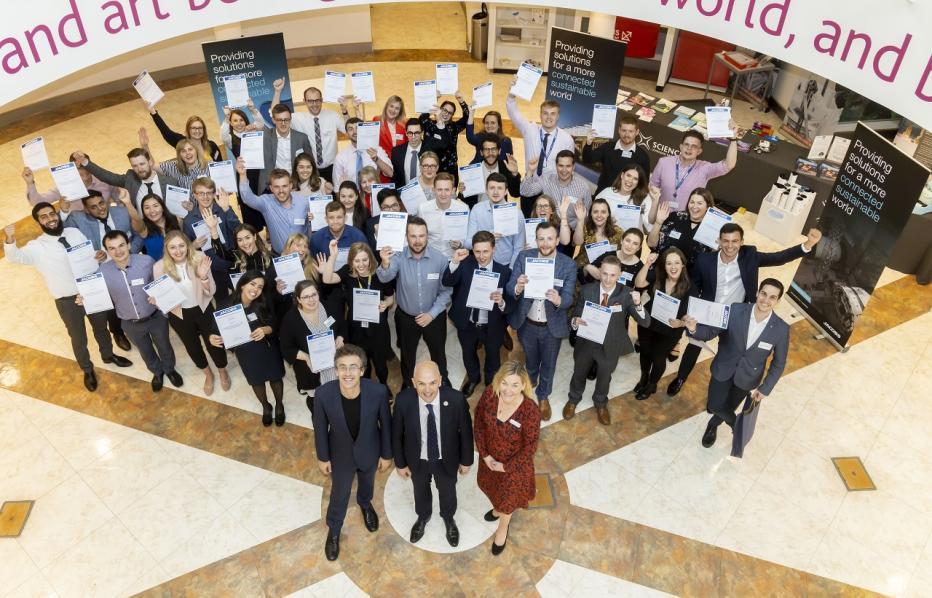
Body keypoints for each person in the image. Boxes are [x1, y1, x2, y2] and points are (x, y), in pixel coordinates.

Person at [666, 224, 821, 397]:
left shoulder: (750, 256)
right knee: (694, 344)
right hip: (711, 312)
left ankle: (720, 391)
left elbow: (779, 257)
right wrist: (690, 311)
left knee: (730, 351)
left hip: (738, 316)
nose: (730, 246)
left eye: (735, 241)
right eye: (725, 241)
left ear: (741, 242)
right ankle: (680, 378)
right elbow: (693, 287)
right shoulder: (705, 260)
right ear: (719, 240)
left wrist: (807, 245)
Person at [3, 205, 132, 392]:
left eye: (52, 214)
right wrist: (10, 238)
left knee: (101, 328)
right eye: (44, 217)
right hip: (67, 300)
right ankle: (87, 369)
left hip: (90, 289)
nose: (50, 219)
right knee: (78, 337)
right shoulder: (37, 247)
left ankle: (108, 354)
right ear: (39, 222)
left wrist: (100, 256)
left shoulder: (74, 232)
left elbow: (90, 256)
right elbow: (15, 257)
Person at [683, 279, 789, 448]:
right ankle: (736, 425)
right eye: (763, 294)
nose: (765, 300)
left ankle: (713, 425)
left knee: (729, 405)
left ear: (778, 301)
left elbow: (779, 362)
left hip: (748, 377)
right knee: (715, 404)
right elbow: (711, 331)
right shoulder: (735, 309)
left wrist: (765, 388)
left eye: (772, 297)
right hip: (723, 367)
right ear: (757, 292)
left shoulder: (782, 329)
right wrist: (694, 329)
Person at [313, 343, 393, 561]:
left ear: (362, 370)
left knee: (367, 483)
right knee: (339, 492)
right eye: (343, 367)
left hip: (370, 451)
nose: (348, 373)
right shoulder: (322, 395)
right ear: (336, 370)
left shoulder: (378, 391)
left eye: (353, 367)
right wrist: (323, 457)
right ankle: (335, 528)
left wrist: (386, 454)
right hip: (340, 455)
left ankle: (365, 504)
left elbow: (386, 425)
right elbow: (320, 429)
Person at [392, 360, 474, 546]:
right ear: (413, 382)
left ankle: (448, 518)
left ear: (440, 380)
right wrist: (400, 463)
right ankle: (423, 517)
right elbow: (396, 434)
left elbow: (466, 433)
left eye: (432, 382)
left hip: (446, 459)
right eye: (421, 383)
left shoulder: (456, 400)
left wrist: (466, 460)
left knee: (447, 490)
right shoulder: (404, 401)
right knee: (420, 490)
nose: (427, 390)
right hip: (417, 460)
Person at [93, 230, 182, 392]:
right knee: (145, 351)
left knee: (164, 346)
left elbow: (161, 283)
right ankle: (157, 371)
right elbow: (93, 294)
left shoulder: (146, 261)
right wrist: (84, 297)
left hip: (155, 317)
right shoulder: (102, 272)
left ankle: (169, 369)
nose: (118, 251)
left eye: (121, 245)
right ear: (107, 251)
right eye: (112, 248)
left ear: (128, 245)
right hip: (130, 323)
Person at [566, 256, 650, 424]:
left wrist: (639, 304)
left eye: (613, 275)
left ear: (619, 275)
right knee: (579, 372)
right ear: (600, 272)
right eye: (604, 274)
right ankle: (573, 399)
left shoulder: (626, 294)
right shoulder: (587, 290)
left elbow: (645, 322)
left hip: (610, 345)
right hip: (587, 342)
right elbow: (577, 312)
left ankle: (600, 403)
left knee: (605, 377)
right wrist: (575, 321)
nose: (608, 279)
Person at [506, 221, 575, 420]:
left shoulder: (567, 264)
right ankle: (532, 380)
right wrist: (518, 287)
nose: (545, 244)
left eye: (550, 239)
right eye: (541, 239)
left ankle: (543, 396)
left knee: (550, 363)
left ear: (557, 240)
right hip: (526, 323)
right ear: (535, 240)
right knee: (531, 359)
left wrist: (559, 299)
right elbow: (510, 288)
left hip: (551, 326)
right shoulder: (524, 257)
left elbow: (569, 297)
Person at [474, 360, 541, 555]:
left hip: (513, 468)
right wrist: (485, 455)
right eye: (504, 382)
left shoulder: (530, 411)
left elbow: (530, 447)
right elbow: (478, 422)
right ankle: (497, 509)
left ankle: (503, 526)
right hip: (489, 460)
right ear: (498, 380)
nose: (508, 390)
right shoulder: (490, 394)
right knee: (493, 490)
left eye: (514, 385)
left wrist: (505, 467)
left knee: (507, 500)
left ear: (523, 386)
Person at [377, 216, 452, 387]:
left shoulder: (440, 259)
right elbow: (384, 277)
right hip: (406, 317)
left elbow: (446, 292)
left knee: (438, 353)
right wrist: (385, 263)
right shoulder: (398, 257)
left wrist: (431, 315)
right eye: (413, 236)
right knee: (407, 355)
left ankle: (443, 380)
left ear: (427, 236)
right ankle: (408, 383)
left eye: (421, 236)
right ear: (406, 237)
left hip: (433, 317)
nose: (417, 241)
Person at [153, 231, 230, 395]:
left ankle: (222, 370)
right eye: (172, 247)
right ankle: (208, 374)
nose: (178, 251)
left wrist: (203, 278)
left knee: (215, 343)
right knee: (192, 347)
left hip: (203, 308)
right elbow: (162, 297)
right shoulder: (159, 267)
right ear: (167, 249)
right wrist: (157, 301)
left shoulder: (200, 258)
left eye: (181, 246)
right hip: (179, 315)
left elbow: (211, 291)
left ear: (188, 246)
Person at [209, 271, 287, 426]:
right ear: (242, 284)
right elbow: (215, 329)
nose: (256, 289)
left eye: (260, 286)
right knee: (256, 381)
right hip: (246, 352)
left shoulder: (264, 300)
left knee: (275, 377)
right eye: (252, 284)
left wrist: (266, 330)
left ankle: (279, 405)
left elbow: (275, 324)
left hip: (269, 347)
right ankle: (266, 406)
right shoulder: (226, 304)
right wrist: (212, 337)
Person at [442, 232, 513, 397]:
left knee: (493, 357)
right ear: (472, 250)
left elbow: (511, 302)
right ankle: (473, 378)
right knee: (468, 353)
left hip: (492, 325)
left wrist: (501, 301)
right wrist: (454, 262)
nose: (481, 256)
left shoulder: (504, 272)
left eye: (486, 251)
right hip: (467, 323)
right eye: (477, 251)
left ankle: (490, 381)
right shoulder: (465, 264)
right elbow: (447, 281)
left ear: (493, 249)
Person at [320, 241, 395, 387]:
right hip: (356, 330)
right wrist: (333, 255)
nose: (361, 264)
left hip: (378, 328)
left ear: (371, 259)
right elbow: (326, 279)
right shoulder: (348, 273)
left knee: (381, 366)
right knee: (361, 364)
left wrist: (385, 304)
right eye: (357, 260)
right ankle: (366, 388)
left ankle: (384, 386)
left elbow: (390, 297)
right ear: (351, 261)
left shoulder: (380, 273)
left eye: (364, 260)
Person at [632, 247, 694, 401]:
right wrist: (647, 264)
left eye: (676, 263)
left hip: (670, 329)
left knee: (659, 358)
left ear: (683, 265)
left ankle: (652, 384)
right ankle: (644, 377)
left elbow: (690, 316)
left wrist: (680, 323)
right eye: (668, 263)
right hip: (649, 322)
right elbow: (639, 283)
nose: (673, 267)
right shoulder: (658, 276)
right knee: (645, 352)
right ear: (664, 266)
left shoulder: (690, 287)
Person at [279, 280, 344, 409]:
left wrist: (341, 338)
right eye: (305, 297)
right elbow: (286, 347)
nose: (311, 300)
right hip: (309, 369)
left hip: (334, 363)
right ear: (298, 299)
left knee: (336, 392)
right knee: (315, 399)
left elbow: (342, 325)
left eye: (314, 295)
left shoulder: (330, 306)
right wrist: (306, 357)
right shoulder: (290, 319)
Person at [506, 95, 575, 214]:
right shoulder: (530, 130)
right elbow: (514, 114)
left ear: (558, 116)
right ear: (540, 115)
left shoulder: (567, 139)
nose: (549, 117)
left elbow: (570, 169)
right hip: (530, 187)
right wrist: (511, 96)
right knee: (529, 224)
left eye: (553, 113)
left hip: (554, 191)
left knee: (551, 227)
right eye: (545, 113)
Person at [271, 79, 348, 182]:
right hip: (309, 172)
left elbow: (349, 130)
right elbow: (276, 114)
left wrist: (344, 111)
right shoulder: (297, 118)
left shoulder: (333, 115)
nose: (314, 104)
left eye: (317, 100)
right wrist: (277, 92)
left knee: (334, 196)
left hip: (332, 168)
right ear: (304, 101)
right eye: (310, 101)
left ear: (322, 100)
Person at [649, 129, 739, 211]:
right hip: (661, 214)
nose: (689, 148)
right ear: (681, 147)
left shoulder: (704, 168)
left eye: (694, 146)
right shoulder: (664, 162)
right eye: (686, 145)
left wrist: (733, 140)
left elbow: (728, 165)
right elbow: (653, 186)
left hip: (687, 219)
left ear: (699, 151)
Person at [236, 159, 312, 255]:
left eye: (284, 186)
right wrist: (242, 175)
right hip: (279, 257)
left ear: (291, 186)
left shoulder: (304, 202)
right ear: (271, 188)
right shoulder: (266, 203)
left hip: (303, 256)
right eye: (276, 187)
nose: (281, 191)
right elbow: (248, 198)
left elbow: (316, 223)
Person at [182, 177, 242, 293]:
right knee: (223, 303)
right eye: (201, 193)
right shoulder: (189, 221)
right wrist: (193, 245)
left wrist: (227, 209)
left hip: (234, 263)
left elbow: (239, 231)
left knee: (241, 297)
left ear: (214, 194)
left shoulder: (223, 209)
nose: (205, 197)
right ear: (194, 195)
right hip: (211, 270)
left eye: (209, 193)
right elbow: (186, 252)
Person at [74, 148, 180, 212]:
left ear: (149, 162)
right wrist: (85, 162)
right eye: (135, 166)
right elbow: (106, 176)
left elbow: (178, 210)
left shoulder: (170, 182)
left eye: (142, 164)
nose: (139, 169)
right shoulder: (130, 178)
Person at [219, 101, 268, 230]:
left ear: (245, 120)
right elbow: (223, 135)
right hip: (243, 175)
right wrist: (226, 117)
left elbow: (261, 124)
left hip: (260, 173)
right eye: (235, 120)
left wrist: (252, 109)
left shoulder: (253, 131)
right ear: (231, 123)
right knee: (248, 205)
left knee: (263, 198)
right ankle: (254, 232)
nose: (239, 123)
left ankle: (269, 229)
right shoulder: (230, 139)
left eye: (241, 120)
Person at [647, 188, 717, 271]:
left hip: (688, 279)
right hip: (660, 271)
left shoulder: (711, 229)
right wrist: (658, 222)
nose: (694, 206)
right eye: (692, 202)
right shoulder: (674, 217)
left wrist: (716, 249)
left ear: (707, 206)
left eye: (699, 203)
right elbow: (651, 244)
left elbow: (710, 262)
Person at [466, 173, 525, 268]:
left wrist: (510, 270)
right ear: (486, 190)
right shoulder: (477, 209)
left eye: (500, 188)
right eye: (492, 188)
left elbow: (519, 247)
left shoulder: (517, 213)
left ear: (506, 191)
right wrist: (487, 237)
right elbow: (468, 243)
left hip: (506, 265)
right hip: (480, 264)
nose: (496, 192)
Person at [582, 114, 651, 194]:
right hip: (604, 195)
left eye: (630, 131)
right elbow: (587, 159)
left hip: (627, 200)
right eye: (624, 130)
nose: (626, 135)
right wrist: (588, 143)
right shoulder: (608, 147)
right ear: (619, 130)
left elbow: (644, 183)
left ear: (637, 132)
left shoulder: (643, 156)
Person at [520, 150, 592, 226]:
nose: (564, 170)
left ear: (573, 167)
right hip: (549, 228)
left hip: (573, 230)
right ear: (556, 165)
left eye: (568, 166)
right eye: (561, 166)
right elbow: (524, 192)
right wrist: (530, 171)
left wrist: (570, 229)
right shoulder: (546, 179)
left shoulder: (583, 187)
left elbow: (587, 214)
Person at [254, 103, 314, 194]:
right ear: (273, 120)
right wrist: (253, 109)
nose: (283, 123)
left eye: (286, 119)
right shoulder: (266, 136)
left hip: (297, 185)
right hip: (273, 187)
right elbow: (259, 124)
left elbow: (311, 163)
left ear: (290, 119)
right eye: (279, 120)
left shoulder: (302, 138)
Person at [23, 157, 120, 213]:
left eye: (85, 167)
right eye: (79, 169)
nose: (84, 172)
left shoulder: (104, 180)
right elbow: (37, 202)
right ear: (72, 170)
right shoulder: (63, 187)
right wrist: (30, 183)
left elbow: (119, 199)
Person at [64, 190, 141, 254]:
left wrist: (130, 252)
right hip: (101, 265)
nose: (100, 208)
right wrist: (63, 211)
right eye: (94, 207)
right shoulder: (77, 218)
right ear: (86, 210)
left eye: (101, 203)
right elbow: (59, 229)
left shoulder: (123, 212)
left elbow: (139, 234)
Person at [460, 133, 521, 208]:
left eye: (493, 149)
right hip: (479, 214)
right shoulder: (473, 170)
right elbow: (467, 201)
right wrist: (462, 193)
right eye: (486, 150)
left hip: (500, 214)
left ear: (499, 151)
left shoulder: (505, 167)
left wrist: (514, 174)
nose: (490, 153)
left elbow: (515, 193)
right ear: (481, 152)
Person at [417, 172, 470, 259]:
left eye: (447, 190)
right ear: (433, 190)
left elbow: (468, 237)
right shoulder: (423, 209)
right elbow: (420, 235)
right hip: (430, 259)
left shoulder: (463, 208)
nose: (443, 194)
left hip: (455, 258)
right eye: (439, 189)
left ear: (453, 190)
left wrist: (460, 244)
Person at [143, 104, 222, 161]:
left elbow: (221, 166)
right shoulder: (181, 142)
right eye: (194, 128)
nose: (197, 131)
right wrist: (154, 113)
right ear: (188, 130)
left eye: (200, 128)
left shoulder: (211, 145)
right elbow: (166, 131)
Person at [573, 198, 624, 284]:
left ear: (608, 214)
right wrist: (580, 221)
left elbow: (622, 255)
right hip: (583, 272)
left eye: (603, 212)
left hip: (609, 276)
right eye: (595, 212)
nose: (599, 215)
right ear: (591, 214)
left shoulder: (618, 232)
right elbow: (577, 242)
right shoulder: (584, 228)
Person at [331, 117, 393, 188]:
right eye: (351, 129)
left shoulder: (377, 150)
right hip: (352, 198)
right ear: (347, 134)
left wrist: (376, 159)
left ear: (364, 130)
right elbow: (337, 187)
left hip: (374, 195)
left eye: (358, 128)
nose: (355, 132)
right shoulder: (340, 157)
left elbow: (390, 173)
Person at [419, 92, 469, 180]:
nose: (446, 114)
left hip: (449, 173)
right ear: (440, 109)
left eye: (450, 113)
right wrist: (433, 99)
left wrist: (461, 101)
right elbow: (421, 119)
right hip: (429, 170)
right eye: (444, 110)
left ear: (452, 115)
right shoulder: (430, 125)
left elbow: (468, 117)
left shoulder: (453, 128)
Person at [595, 164, 653, 233]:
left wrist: (655, 201)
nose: (630, 181)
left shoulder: (644, 198)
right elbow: (593, 217)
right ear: (622, 175)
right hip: (607, 237)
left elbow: (650, 223)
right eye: (628, 175)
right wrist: (607, 222)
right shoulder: (606, 193)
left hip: (633, 241)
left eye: (635, 179)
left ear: (638, 183)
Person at [390, 118, 440, 188]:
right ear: (406, 133)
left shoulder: (430, 151)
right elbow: (395, 178)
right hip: (403, 196)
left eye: (416, 133)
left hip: (426, 194)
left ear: (422, 133)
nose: (413, 137)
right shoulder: (396, 152)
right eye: (410, 133)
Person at [132, 194, 182, 261]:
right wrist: (128, 203)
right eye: (147, 208)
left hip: (180, 265)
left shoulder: (177, 220)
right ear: (143, 211)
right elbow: (136, 219)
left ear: (162, 207)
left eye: (155, 206)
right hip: (158, 269)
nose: (152, 211)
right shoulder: (143, 228)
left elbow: (184, 243)